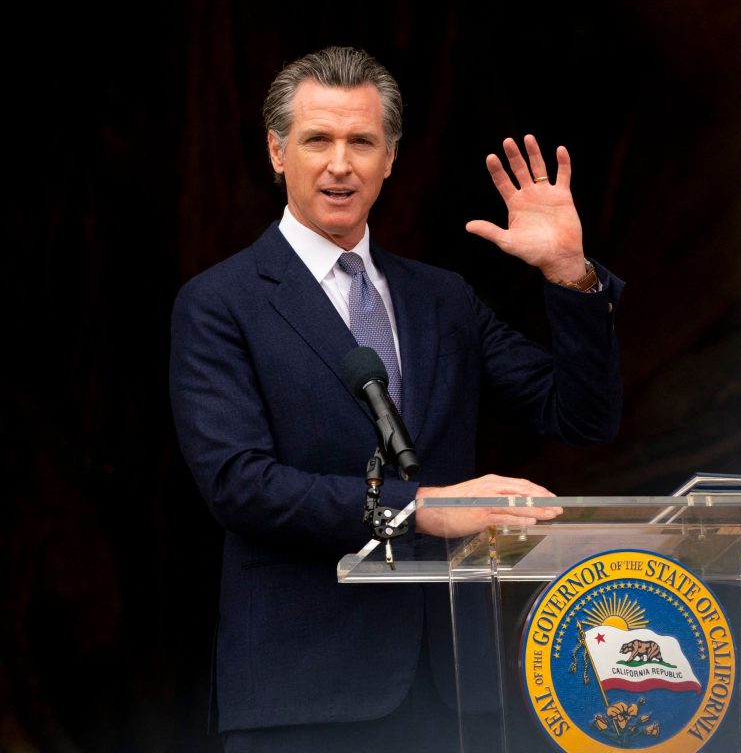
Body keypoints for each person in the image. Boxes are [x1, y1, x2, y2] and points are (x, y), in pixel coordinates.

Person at [169, 45, 623, 751]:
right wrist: (420, 508)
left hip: (452, 692)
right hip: (304, 691)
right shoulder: (222, 302)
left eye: (362, 141)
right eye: (317, 140)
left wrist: (571, 275)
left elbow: (582, 415)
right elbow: (239, 485)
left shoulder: (441, 298)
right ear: (277, 151)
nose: (340, 164)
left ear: (390, 159)